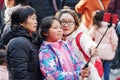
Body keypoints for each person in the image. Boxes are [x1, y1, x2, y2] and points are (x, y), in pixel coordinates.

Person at [55, 8, 103, 80]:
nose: (66, 25)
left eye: (70, 22)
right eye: (63, 21)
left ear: (76, 24)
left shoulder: (80, 36)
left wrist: (92, 49)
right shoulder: (55, 40)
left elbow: (88, 44)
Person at [3, 6, 42, 80]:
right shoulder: (18, 43)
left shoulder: (33, 40)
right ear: (21, 22)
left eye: (36, 19)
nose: (36, 21)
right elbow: (19, 74)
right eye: (32, 18)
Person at [89, 10, 118, 80]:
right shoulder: (110, 28)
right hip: (108, 50)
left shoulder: (95, 27)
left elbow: (89, 36)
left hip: (98, 50)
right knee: (107, 67)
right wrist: (113, 48)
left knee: (98, 67)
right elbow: (114, 40)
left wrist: (91, 46)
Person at [107, 0, 120, 75]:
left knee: (116, 44)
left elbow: (110, 9)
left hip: (116, 21)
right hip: (117, 21)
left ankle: (115, 66)